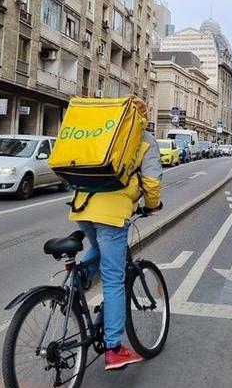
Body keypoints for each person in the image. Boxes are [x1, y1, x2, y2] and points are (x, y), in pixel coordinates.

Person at [69, 96, 163, 370]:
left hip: (82, 208)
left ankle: (75, 287)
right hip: (112, 215)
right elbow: (152, 180)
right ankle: (114, 348)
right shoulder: (143, 139)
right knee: (113, 279)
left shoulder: (106, 132)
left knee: (98, 249)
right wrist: (152, 205)